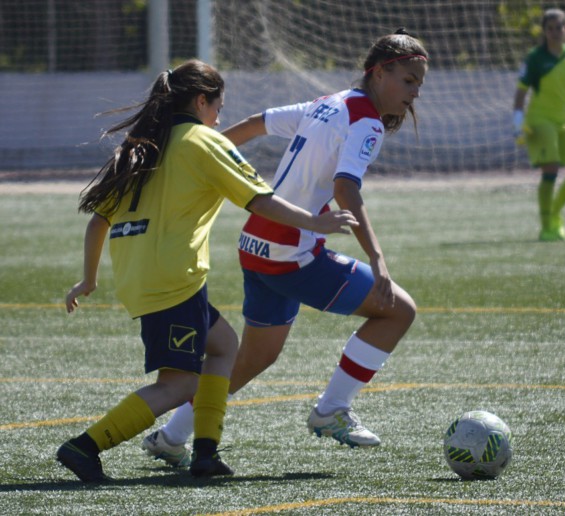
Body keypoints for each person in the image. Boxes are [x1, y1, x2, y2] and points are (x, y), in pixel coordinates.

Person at [56, 59, 357, 482]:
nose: (220, 116)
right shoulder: (203, 141)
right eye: (218, 106)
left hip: (141, 276)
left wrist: (89, 278)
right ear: (201, 101)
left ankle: (205, 452)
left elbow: (97, 221)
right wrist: (315, 221)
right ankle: (85, 446)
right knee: (177, 383)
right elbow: (260, 200)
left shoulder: (144, 145)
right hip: (173, 280)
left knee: (223, 347)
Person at [141, 28, 427, 465]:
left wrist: (196, 152)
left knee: (254, 358)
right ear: (379, 72)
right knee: (399, 309)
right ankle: (331, 411)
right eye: (408, 81)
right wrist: (378, 258)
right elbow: (346, 187)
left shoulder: (326, 103)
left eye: (418, 85)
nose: (413, 94)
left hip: (257, 242)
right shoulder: (366, 119)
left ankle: (172, 436)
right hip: (291, 254)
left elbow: (257, 122)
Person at [512, 8, 565, 241]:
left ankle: (555, 212)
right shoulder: (535, 58)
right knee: (552, 168)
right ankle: (547, 226)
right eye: (550, 28)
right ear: (544, 31)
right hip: (539, 120)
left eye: (560, 27)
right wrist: (518, 123)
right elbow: (520, 94)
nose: (555, 32)